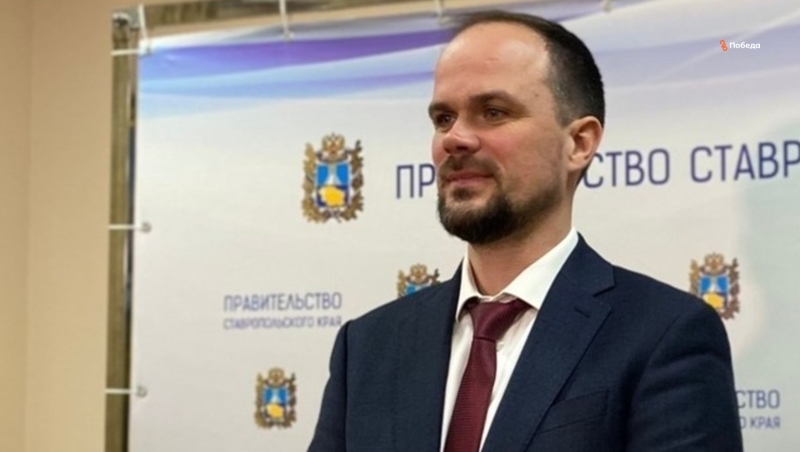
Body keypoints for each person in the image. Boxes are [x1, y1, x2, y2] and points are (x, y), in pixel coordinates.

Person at [308, 10, 742, 452]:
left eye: (493, 112)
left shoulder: (663, 334)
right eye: (443, 118)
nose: (455, 138)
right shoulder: (368, 347)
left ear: (579, 143)